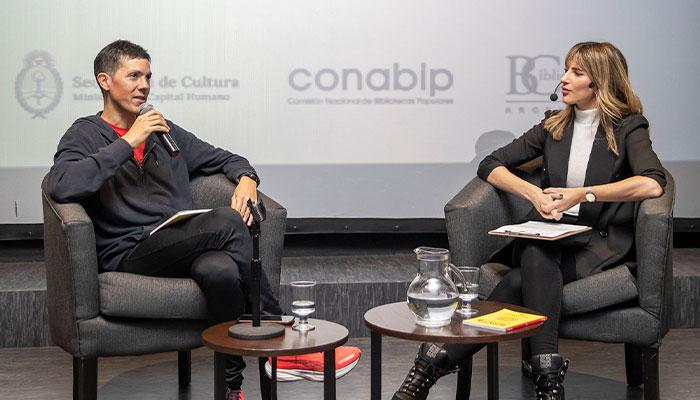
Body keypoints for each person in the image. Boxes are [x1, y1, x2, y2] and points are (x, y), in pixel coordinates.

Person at [392, 41, 666, 400]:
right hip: (549, 232)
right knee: (536, 252)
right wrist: (534, 195)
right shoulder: (554, 125)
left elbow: (652, 183)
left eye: (576, 72)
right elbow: (490, 164)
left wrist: (583, 194)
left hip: (595, 242)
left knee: (520, 279)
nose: (564, 79)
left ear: (599, 81)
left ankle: (430, 364)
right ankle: (549, 382)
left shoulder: (628, 127)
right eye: (566, 70)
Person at [47, 40, 281, 400]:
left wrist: (248, 178)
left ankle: (230, 387)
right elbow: (61, 185)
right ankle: (279, 339)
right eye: (134, 76)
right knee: (226, 220)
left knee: (220, 271)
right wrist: (128, 142)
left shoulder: (164, 132)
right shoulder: (85, 134)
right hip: (129, 252)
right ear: (105, 81)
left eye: (148, 77)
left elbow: (226, 158)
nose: (144, 86)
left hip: (177, 244)